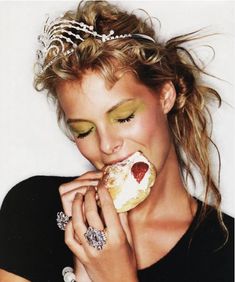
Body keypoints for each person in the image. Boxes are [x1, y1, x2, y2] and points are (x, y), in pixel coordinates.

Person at [0, 1, 233, 281]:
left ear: (165, 96)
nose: (106, 146)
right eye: (84, 130)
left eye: (123, 117)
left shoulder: (226, 255)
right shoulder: (32, 208)